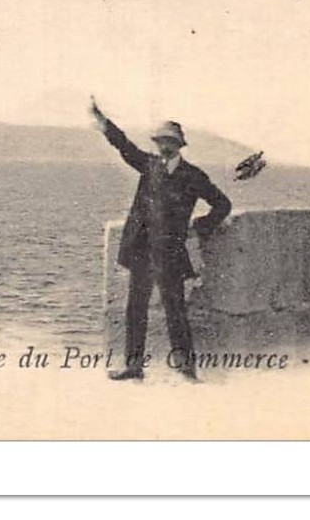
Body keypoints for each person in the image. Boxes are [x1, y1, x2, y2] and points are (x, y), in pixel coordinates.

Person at [90, 97, 231, 381]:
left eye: (170, 141)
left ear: (179, 145)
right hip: (142, 250)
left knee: (175, 311)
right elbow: (125, 147)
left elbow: (222, 204)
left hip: (171, 252)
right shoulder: (149, 165)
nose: (164, 146)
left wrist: (199, 226)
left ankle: (187, 367)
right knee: (135, 309)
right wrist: (104, 124)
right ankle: (133, 366)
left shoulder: (193, 176)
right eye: (161, 141)